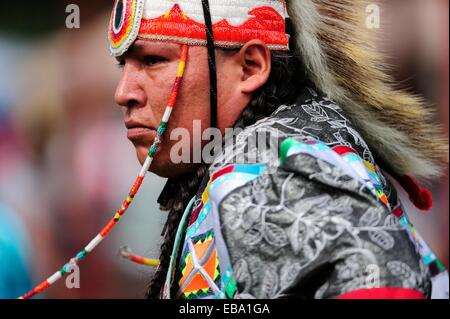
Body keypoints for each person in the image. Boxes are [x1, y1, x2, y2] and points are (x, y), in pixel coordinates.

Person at [109, 0, 448, 299]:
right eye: (124, 66)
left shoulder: (263, 173)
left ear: (250, 67)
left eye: (153, 60)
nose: (124, 92)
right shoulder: (285, 147)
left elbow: (385, 288)